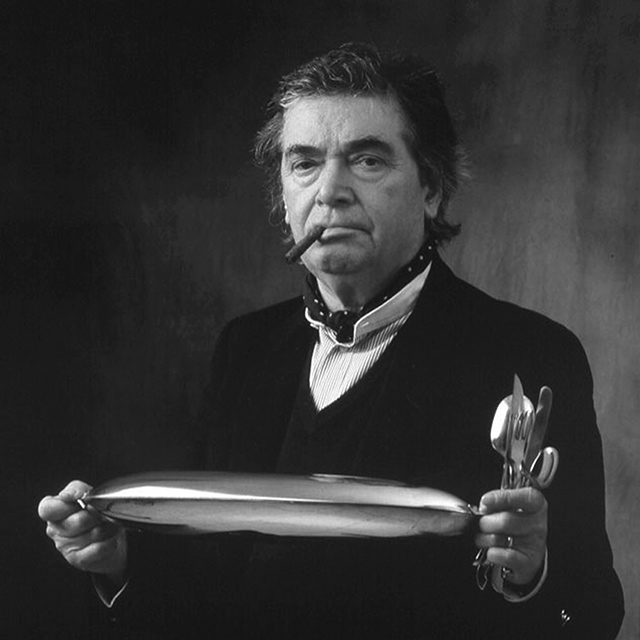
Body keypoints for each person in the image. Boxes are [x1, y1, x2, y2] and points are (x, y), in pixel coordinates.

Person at [38, 43, 624, 639]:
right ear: (283, 195)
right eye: (305, 163)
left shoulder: (530, 353)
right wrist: (117, 564)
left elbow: (593, 615)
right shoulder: (245, 349)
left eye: (367, 160)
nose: (330, 191)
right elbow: (204, 590)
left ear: (431, 187)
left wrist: (533, 574)